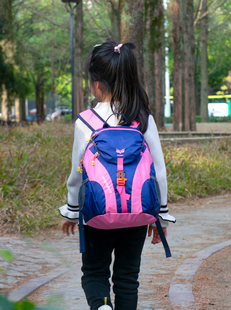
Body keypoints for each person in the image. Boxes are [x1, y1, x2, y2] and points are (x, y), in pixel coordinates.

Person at [59, 41, 176, 310]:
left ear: (96, 84)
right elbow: (158, 169)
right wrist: (160, 215)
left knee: (95, 273)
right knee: (127, 278)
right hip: (137, 212)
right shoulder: (142, 116)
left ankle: (101, 307)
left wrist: (72, 211)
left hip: (96, 213)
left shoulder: (85, 121)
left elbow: (78, 172)